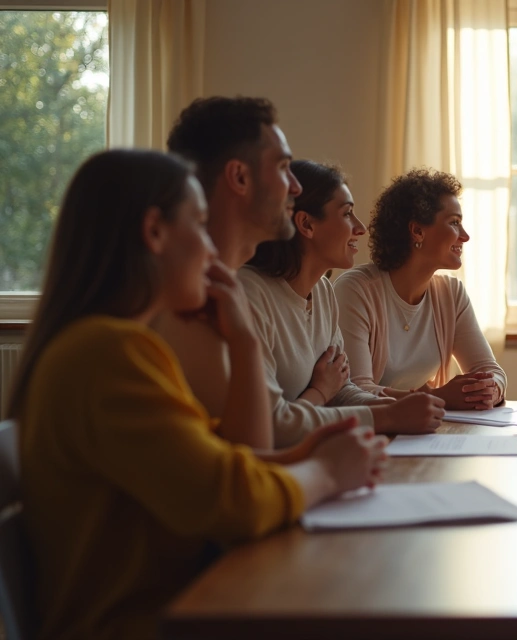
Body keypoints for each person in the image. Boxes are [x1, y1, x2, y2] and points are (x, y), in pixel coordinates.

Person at [9, 150, 388, 640]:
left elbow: (218, 458)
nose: (211, 251)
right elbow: (231, 503)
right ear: (155, 232)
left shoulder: (117, 347)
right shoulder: (106, 353)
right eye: (200, 225)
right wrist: (328, 470)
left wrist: (301, 446)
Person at [243, 161, 444, 446]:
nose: (361, 228)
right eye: (347, 213)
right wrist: (325, 394)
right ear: (306, 224)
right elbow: (273, 426)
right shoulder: (250, 295)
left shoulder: (323, 290)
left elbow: (342, 390)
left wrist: (397, 407)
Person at [154, 96, 302, 450]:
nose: (296, 187)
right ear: (239, 176)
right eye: (283, 168)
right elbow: (244, 466)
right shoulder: (189, 304)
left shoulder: (223, 290)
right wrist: (326, 468)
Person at [334, 168, 507, 409]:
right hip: (373, 435)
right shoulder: (356, 290)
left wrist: (489, 388)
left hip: (425, 431)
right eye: (454, 223)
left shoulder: (451, 293)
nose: (465, 236)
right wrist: (439, 398)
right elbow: (356, 391)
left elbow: (491, 370)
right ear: (417, 231)